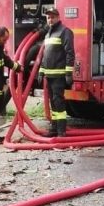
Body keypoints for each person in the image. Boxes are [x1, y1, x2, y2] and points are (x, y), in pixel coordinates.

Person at [38, 8, 75, 137]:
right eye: (48, 17)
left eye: (52, 17)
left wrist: (69, 73)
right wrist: (41, 71)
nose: (50, 19)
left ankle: (61, 131)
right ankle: (54, 129)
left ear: (58, 17)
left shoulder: (65, 32)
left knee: (58, 102)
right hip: (49, 75)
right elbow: (45, 55)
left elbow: (70, 53)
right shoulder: (48, 34)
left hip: (59, 75)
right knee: (52, 103)